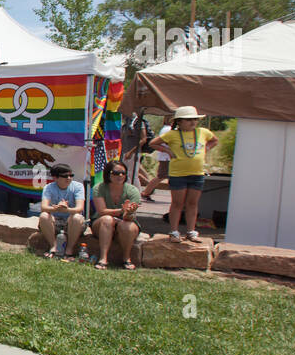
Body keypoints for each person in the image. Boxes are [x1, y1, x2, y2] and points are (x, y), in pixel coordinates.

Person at [149, 106, 218, 240]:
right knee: (177, 203)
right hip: (178, 174)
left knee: (192, 203)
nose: (192, 122)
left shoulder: (203, 132)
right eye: (188, 120)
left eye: (194, 119)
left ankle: (191, 231)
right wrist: (168, 151)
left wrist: (206, 148)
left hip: (197, 174)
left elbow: (214, 140)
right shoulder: (172, 134)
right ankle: (174, 231)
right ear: (179, 122)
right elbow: (153, 143)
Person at [90, 160, 142, 270]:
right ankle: (103, 258)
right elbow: (101, 211)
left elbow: (128, 218)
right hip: (102, 224)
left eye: (123, 173)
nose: (120, 175)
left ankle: (126, 258)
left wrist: (129, 212)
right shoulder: (99, 188)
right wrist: (121, 210)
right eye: (116, 173)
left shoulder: (133, 191)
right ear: (108, 174)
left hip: (124, 222)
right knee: (107, 219)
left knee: (127, 225)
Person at [38, 164, 86, 259]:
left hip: (72, 223)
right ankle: (53, 247)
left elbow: (80, 208)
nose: (68, 178)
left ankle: (69, 250)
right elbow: (43, 207)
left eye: (71, 175)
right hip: (55, 221)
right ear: (55, 178)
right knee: (44, 216)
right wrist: (57, 208)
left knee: (77, 217)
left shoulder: (78, 186)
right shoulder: (48, 187)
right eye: (65, 176)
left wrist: (66, 209)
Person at [140, 117, 172, 199]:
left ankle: (147, 191)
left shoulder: (167, 129)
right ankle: (146, 192)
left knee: (164, 176)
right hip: (166, 157)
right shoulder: (168, 130)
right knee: (161, 176)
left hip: (166, 157)